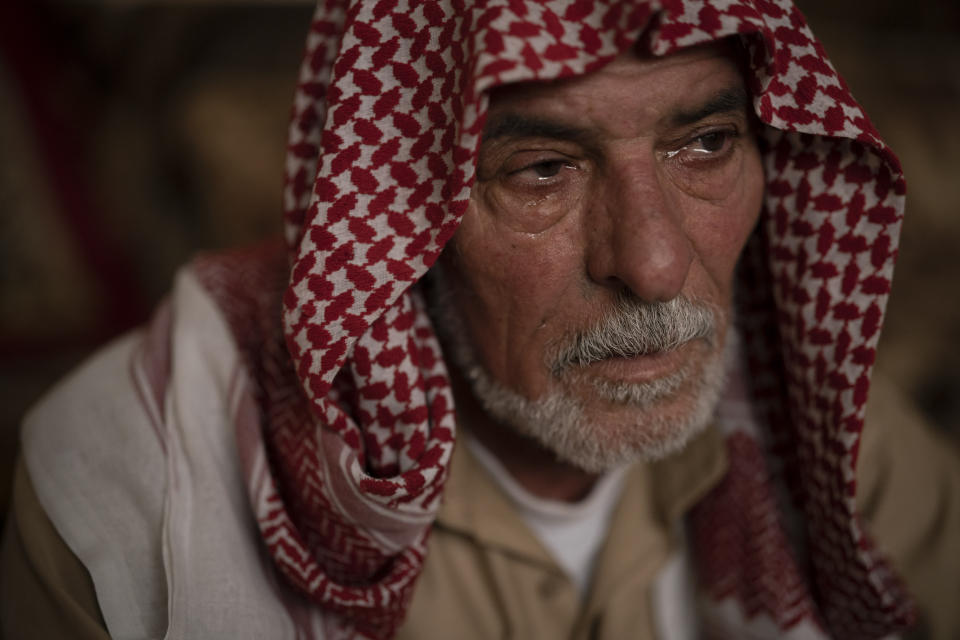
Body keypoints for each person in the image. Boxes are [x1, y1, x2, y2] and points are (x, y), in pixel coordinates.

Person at [2, 0, 959, 638]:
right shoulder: (130, 492)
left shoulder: (839, 433)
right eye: (543, 169)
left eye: (707, 144)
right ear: (393, 211)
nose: (658, 266)